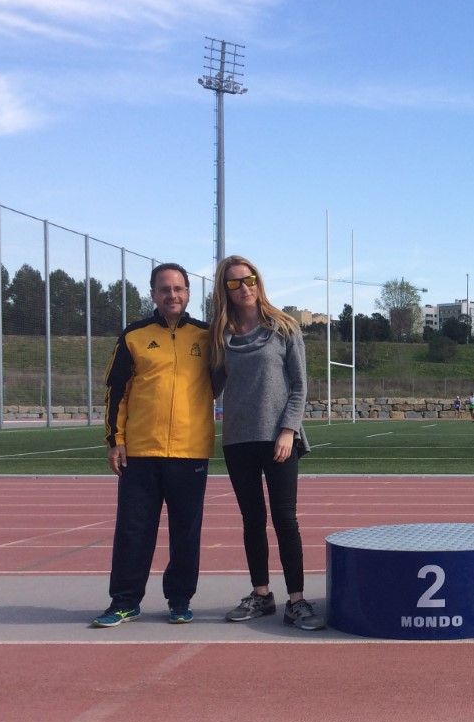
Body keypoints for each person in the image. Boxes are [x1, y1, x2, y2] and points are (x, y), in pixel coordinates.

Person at [91, 263, 214, 627]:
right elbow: (117, 391)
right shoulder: (134, 335)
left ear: (189, 293)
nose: (172, 295)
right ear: (153, 294)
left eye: (178, 288)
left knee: (186, 533)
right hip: (141, 452)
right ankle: (125, 601)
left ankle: (179, 599)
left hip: (190, 450)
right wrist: (116, 440)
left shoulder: (207, 336)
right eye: (164, 289)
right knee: (132, 530)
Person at [210, 254, 324, 631]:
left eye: (250, 279)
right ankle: (261, 595)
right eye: (234, 283)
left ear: (259, 281)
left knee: (285, 519)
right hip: (238, 440)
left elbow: (299, 385)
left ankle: (297, 600)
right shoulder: (220, 336)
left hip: (279, 439)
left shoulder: (283, 328)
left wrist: (288, 430)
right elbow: (210, 387)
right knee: (252, 520)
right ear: (223, 290)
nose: (244, 287)